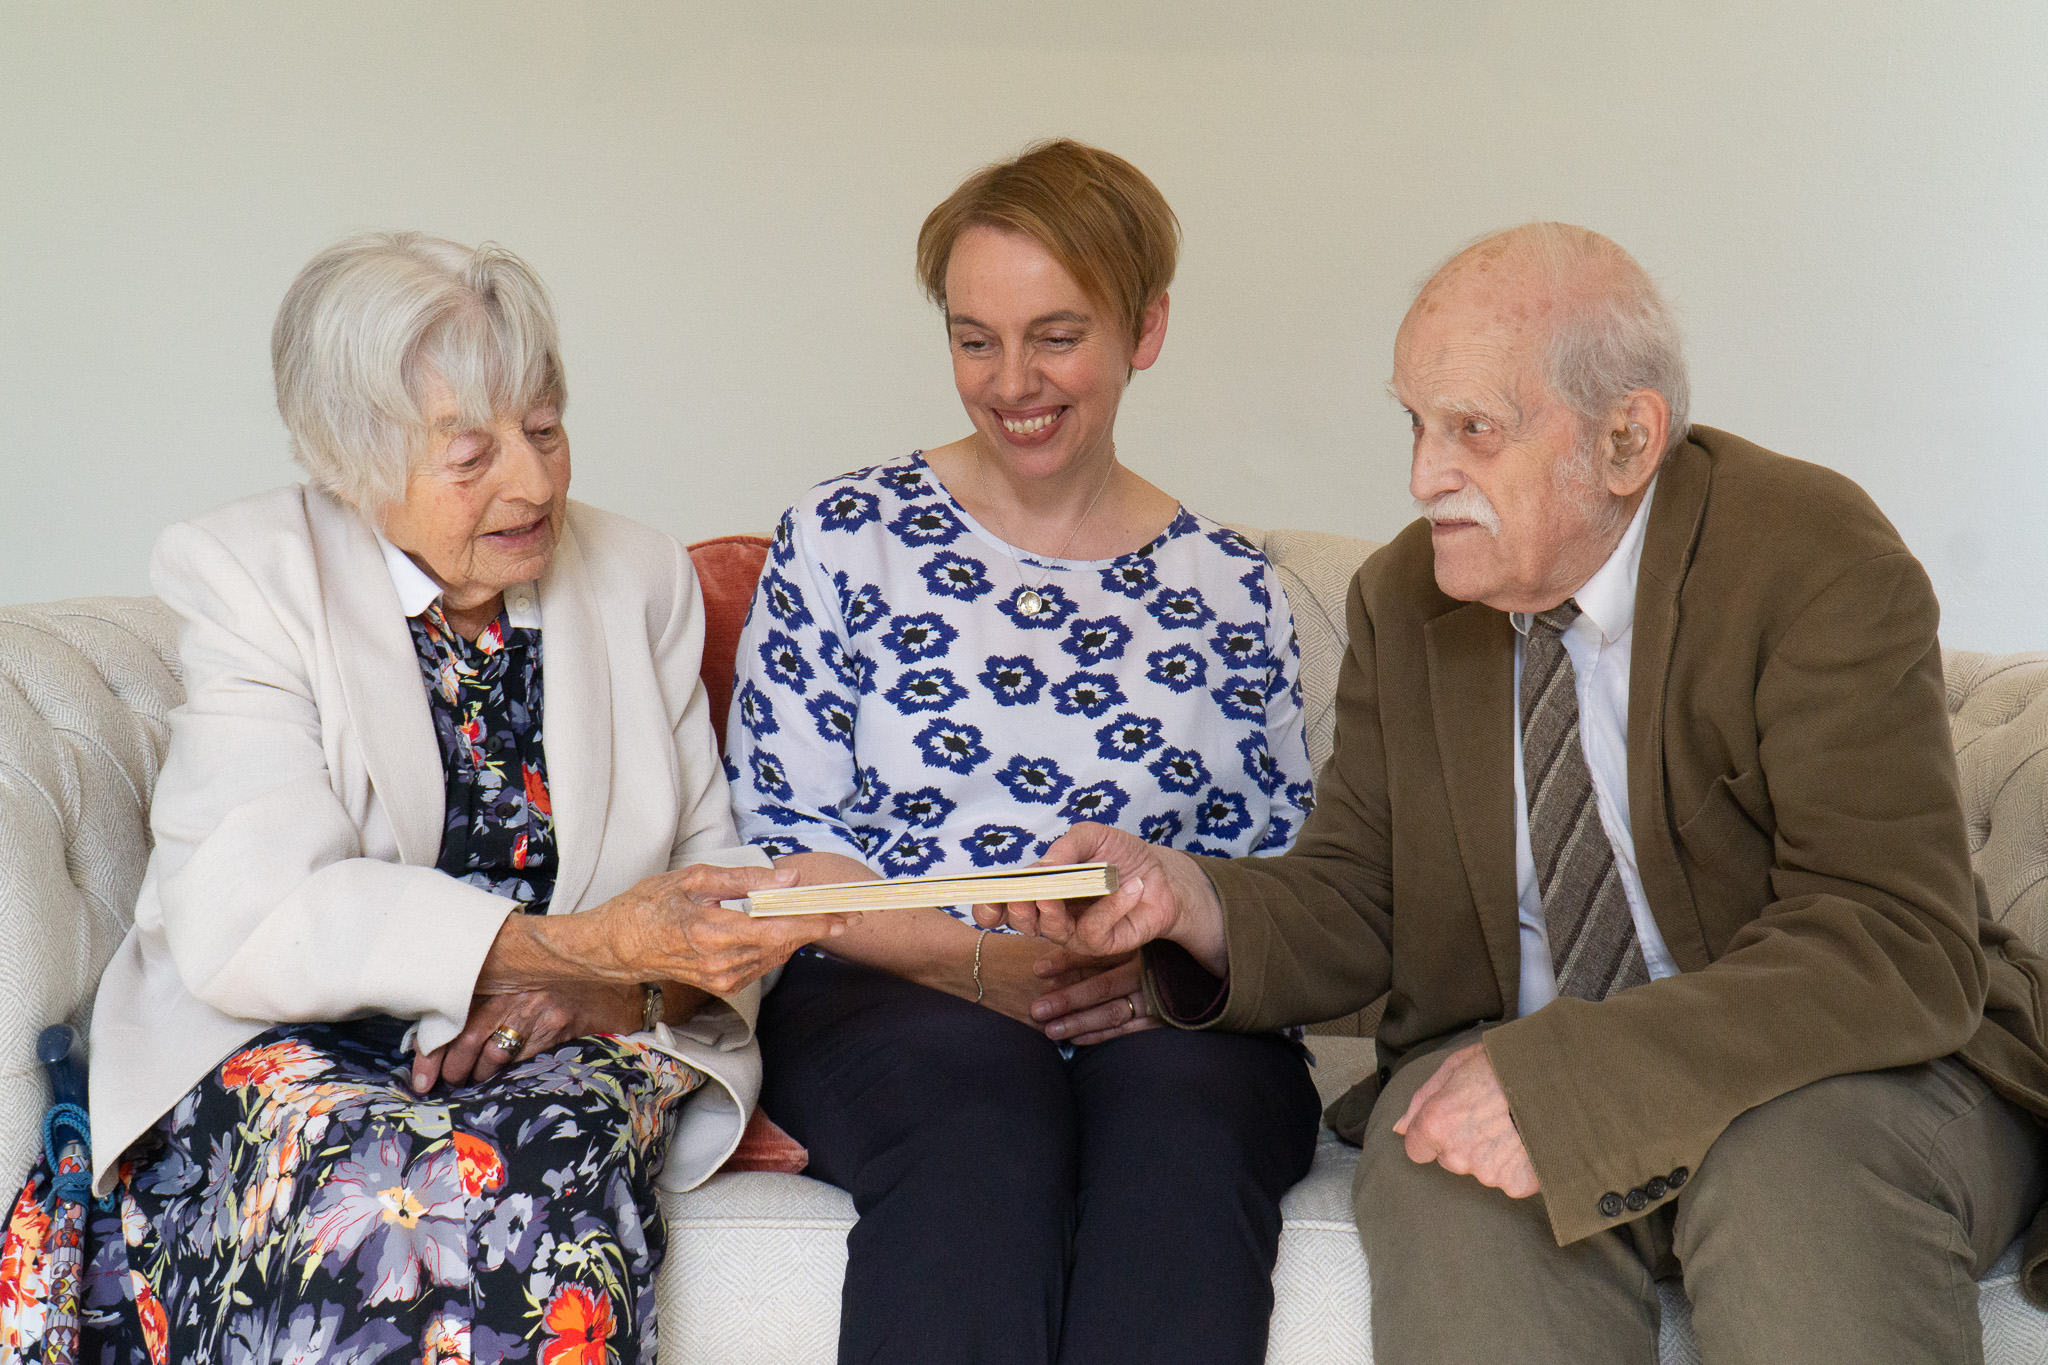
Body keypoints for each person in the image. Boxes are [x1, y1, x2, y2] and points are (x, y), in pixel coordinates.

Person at [991, 222, 2048, 1362]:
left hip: (1834, 1073)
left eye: (1472, 431)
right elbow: (1359, 895)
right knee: (1443, 1169)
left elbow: (1890, 937)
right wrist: (1187, 899)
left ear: (1625, 438)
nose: (1420, 476)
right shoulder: (1411, 598)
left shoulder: (1808, 558)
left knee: (1790, 1170)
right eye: (1413, 423)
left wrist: (1567, 1081)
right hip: (1512, 1061)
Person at [0, 232, 847, 1365]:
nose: (533, 481)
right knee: (351, 1175)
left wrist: (607, 987)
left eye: (545, 429)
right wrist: (563, 944)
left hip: (580, 1033)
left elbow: (711, 874)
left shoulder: (636, 576)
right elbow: (250, 910)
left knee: (530, 1168)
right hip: (294, 1030)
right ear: (351, 463)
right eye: (470, 454)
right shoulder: (253, 571)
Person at [725, 140, 1322, 1365]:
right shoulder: (845, 538)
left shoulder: (1230, 588)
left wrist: (1159, 979)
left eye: (1056, 334)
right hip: (885, 992)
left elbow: (1285, 884)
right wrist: (987, 969)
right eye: (972, 337)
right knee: (977, 1114)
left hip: (1155, 1010)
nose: (1011, 382)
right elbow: (783, 859)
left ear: (1144, 328)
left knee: (1185, 1133)